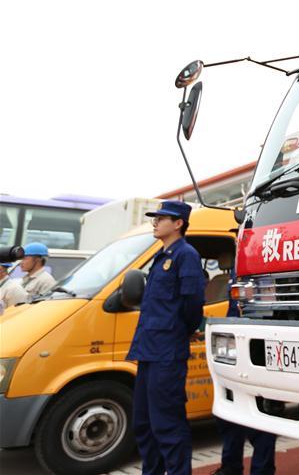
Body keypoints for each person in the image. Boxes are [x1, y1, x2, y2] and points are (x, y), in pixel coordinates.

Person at [127, 200, 206, 475]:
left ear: (178, 223)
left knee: (167, 424)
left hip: (167, 352)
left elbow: (192, 301)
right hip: (148, 350)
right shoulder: (161, 256)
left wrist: (180, 331)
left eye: (162, 218)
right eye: (155, 218)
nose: (155, 222)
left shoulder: (186, 255)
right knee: (144, 423)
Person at [211, 265, 276, 475]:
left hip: (260, 346)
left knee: (261, 416)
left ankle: (262, 470)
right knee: (229, 416)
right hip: (237, 347)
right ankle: (231, 467)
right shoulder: (237, 268)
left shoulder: (267, 263)